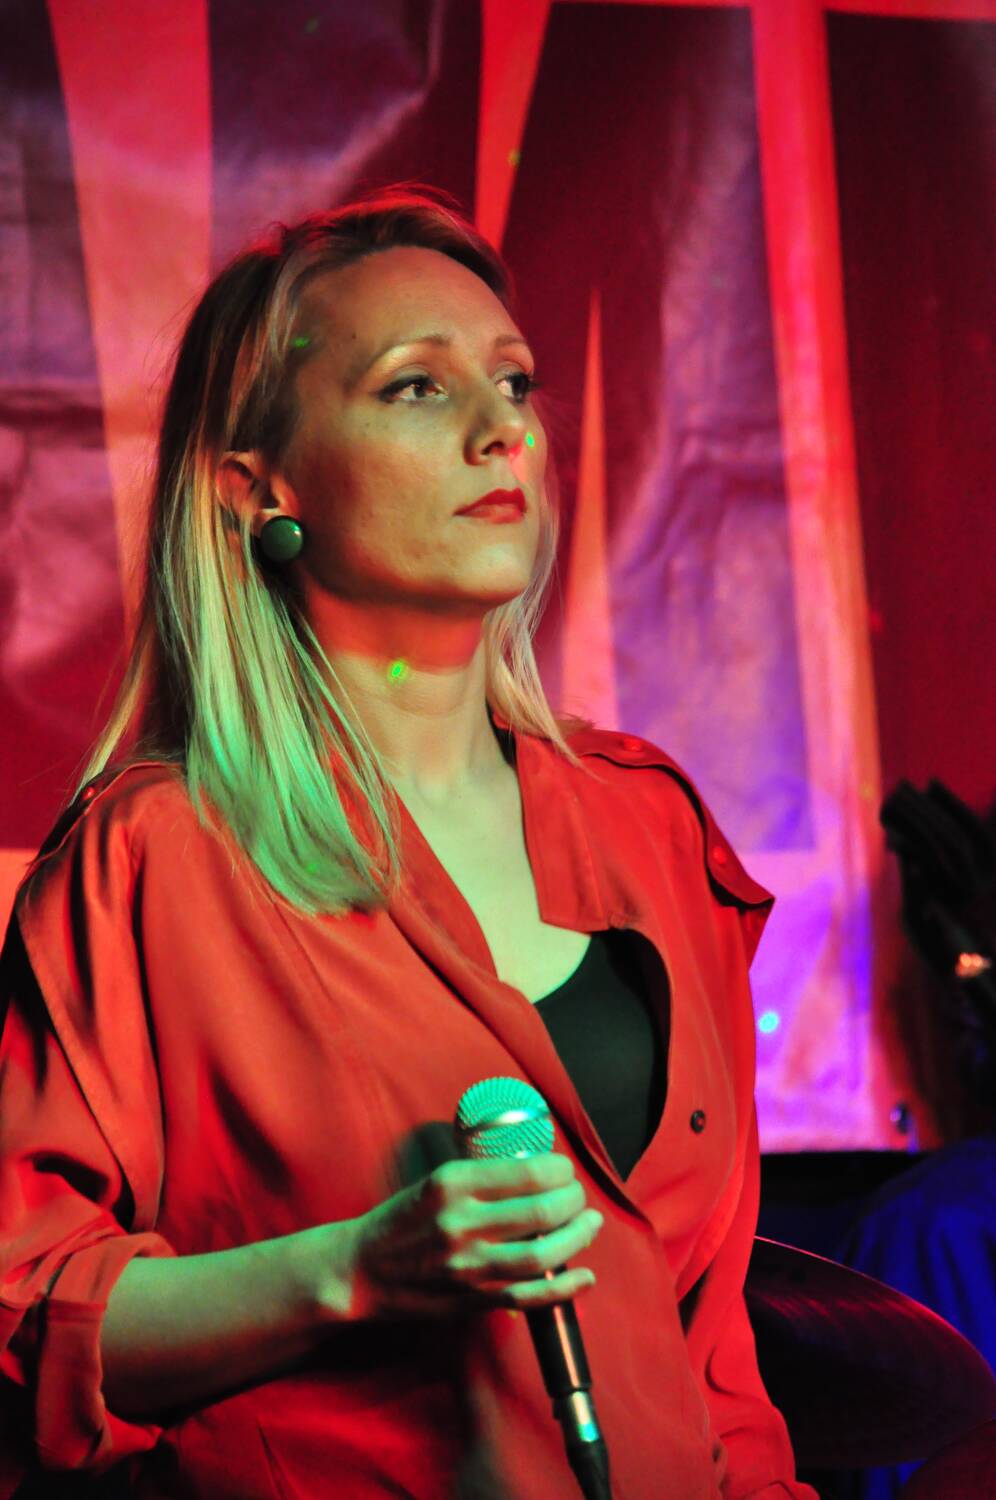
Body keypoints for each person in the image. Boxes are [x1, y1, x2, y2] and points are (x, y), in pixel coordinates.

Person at [0, 188, 817, 1499]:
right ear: (256, 491)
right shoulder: (150, 860)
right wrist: (353, 1269)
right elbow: (28, 1316)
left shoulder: (649, 823)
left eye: (515, 381)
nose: (504, 430)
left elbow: (714, 1349)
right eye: (417, 388)